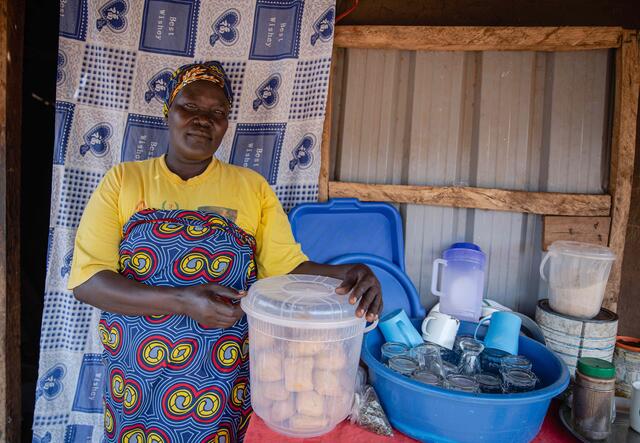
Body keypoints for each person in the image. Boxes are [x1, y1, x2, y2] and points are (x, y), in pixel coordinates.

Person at [68, 61, 383, 443]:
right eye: (190, 106)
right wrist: (182, 301)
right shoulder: (123, 181)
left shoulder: (251, 188)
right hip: (139, 380)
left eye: (217, 112)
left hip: (222, 379)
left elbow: (286, 271)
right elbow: (88, 281)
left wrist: (349, 273)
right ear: (169, 111)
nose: (203, 120)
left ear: (226, 124)